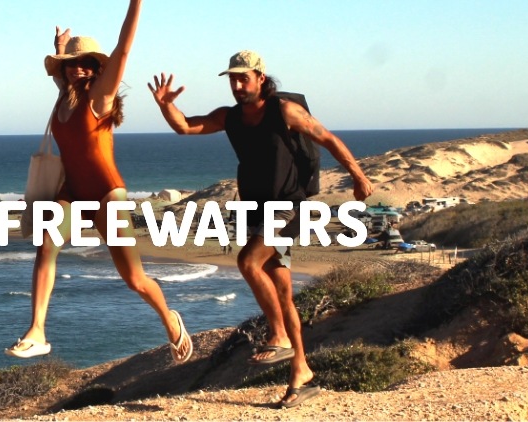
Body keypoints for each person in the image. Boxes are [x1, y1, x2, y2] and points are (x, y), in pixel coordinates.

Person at [147, 51, 373, 408]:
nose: (238, 85)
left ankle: (279, 335)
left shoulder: (284, 111)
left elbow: (327, 138)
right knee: (282, 291)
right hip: (257, 209)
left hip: (289, 206)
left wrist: (358, 176)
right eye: (233, 80)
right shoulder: (230, 117)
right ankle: (301, 372)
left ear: (260, 78)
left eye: (244, 78)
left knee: (248, 262)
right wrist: (165, 105)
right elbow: (186, 126)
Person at [6, 0, 193, 365]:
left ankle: (170, 319)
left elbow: (123, 49)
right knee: (46, 245)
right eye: (71, 64)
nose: (77, 68)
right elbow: (60, 74)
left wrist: (135, 5)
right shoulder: (65, 93)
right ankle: (37, 331)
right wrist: (61, 48)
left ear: (96, 67)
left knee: (135, 279)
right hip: (72, 193)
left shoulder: (100, 96)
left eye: (84, 62)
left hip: (107, 195)